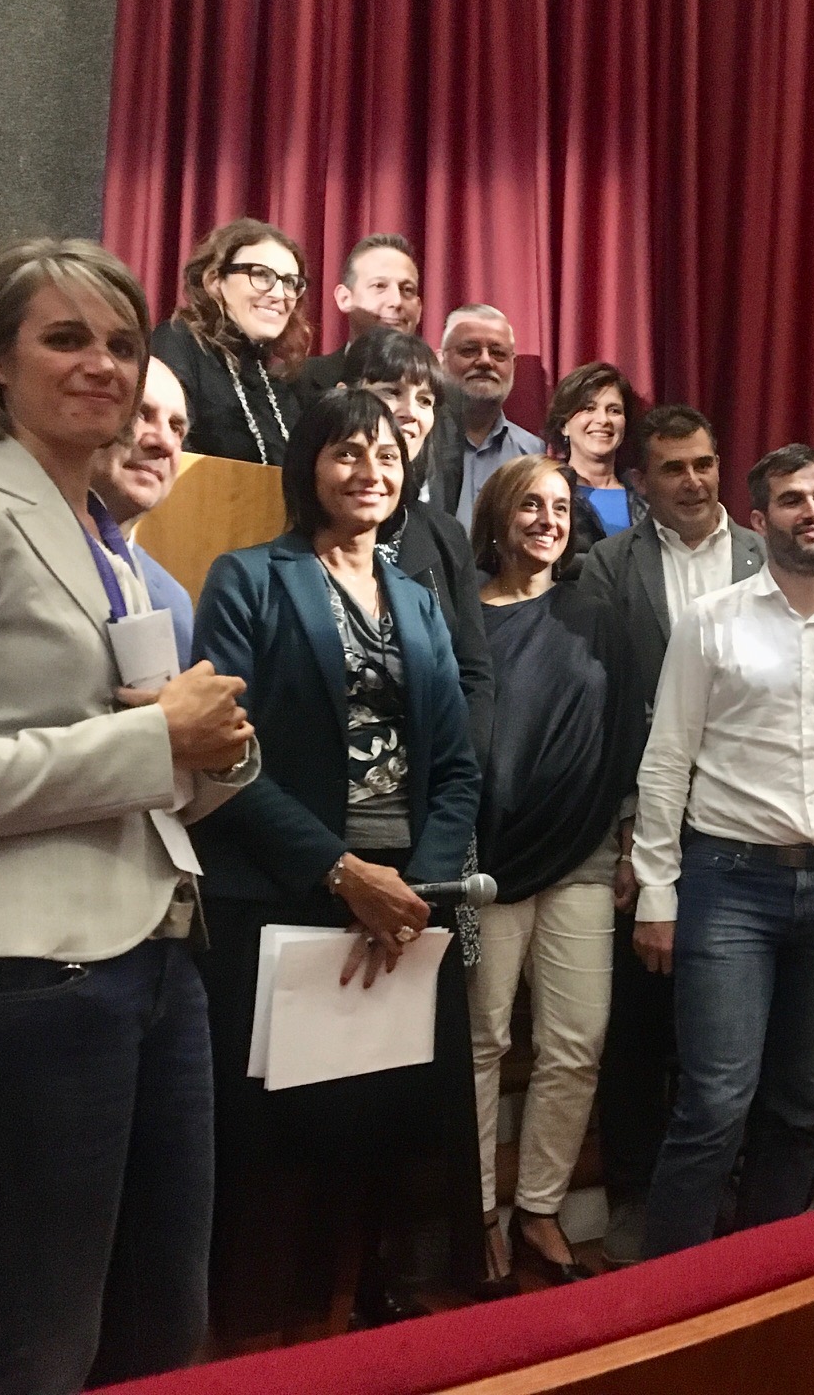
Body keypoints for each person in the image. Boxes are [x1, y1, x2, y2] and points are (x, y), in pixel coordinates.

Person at [0, 238, 259, 1394]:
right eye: (66, 338)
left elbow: (152, 759)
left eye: (123, 344)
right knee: (37, 1345)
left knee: (163, 1330)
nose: (103, 365)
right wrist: (158, 741)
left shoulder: (115, 549)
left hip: (158, 960)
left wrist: (218, 750)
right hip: (13, 978)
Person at [189, 387, 484, 1336]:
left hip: (406, 900)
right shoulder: (248, 578)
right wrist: (341, 871)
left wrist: (415, 889)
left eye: (387, 455)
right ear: (308, 466)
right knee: (282, 1143)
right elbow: (224, 757)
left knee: (388, 1125)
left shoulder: (420, 597)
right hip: (286, 888)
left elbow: (457, 767)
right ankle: (265, 1333)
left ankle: (368, 1306)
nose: (370, 472)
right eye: (347, 453)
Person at [632, 444, 814, 1257]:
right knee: (716, 1103)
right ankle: (668, 1303)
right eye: (792, 500)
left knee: (801, 1107)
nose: (812, 511)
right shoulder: (710, 620)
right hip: (729, 886)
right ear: (759, 520)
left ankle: (763, 1289)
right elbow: (667, 759)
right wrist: (656, 892)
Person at [576, 404, 765, 1265]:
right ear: (640, 482)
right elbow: (603, 700)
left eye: (704, 464)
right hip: (647, 820)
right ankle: (635, 1196)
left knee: (727, 1028)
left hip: (748, 819)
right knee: (640, 1024)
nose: (693, 482)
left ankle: (723, 1195)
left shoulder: (764, 557)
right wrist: (629, 828)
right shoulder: (608, 564)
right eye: (673, 469)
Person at [466, 455, 647, 1288]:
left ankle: (538, 1210)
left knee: (577, 1040)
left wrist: (629, 842)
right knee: (483, 1039)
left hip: (583, 857)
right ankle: (479, 1215)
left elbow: (627, 738)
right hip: (488, 864)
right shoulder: (463, 614)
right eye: (530, 506)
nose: (547, 520)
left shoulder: (597, 617)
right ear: (498, 519)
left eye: (560, 508)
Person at [342, 326, 495, 758]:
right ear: (343, 397)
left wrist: (462, 773)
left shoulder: (445, 534)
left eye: (425, 400)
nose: (410, 413)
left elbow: (474, 673)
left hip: (437, 776)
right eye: (392, 392)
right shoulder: (298, 528)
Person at [150, 217, 310, 465]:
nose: (280, 294)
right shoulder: (178, 342)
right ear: (215, 281)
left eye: (290, 282)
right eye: (261, 275)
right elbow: (168, 451)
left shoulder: (277, 383)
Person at [93, 357, 196, 666]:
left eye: (176, 428)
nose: (165, 442)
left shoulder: (173, 602)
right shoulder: (13, 551)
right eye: (141, 414)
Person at [439, 304, 544, 527]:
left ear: (513, 365)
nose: (485, 361)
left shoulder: (533, 452)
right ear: (441, 360)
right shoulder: (415, 442)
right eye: (469, 350)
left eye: (498, 353)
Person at [293, 232, 425, 406]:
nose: (396, 301)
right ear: (345, 298)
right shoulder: (297, 382)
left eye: (407, 289)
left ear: (419, 308)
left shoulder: (447, 397)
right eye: (379, 286)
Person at [543, 360, 646, 543]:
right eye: (589, 408)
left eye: (614, 410)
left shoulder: (647, 495)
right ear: (564, 425)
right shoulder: (545, 491)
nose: (603, 420)